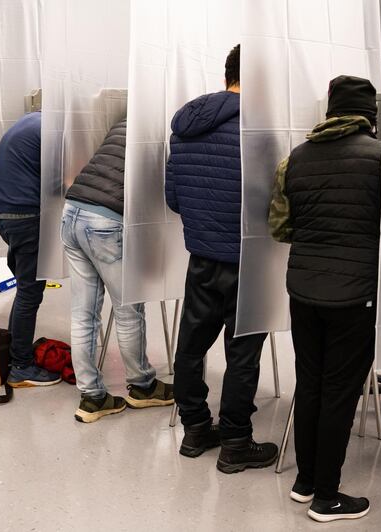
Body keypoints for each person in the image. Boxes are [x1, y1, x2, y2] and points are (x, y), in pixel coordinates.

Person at [269, 75, 381, 523]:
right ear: (369, 115)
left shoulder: (295, 158)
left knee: (311, 382)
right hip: (356, 294)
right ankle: (328, 498)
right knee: (340, 391)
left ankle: (305, 482)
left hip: (304, 290)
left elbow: (280, 227)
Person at [165, 44, 277, 473]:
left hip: (202, 257)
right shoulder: (259, 131)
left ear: (227, 73)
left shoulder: (186, 124)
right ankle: (235, 442)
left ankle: (195, 430)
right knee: (243, 354)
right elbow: (272, 206)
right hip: (245, 262)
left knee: (191, 347)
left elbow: (173, 199)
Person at [61, 119, 174, 423]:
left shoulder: (125, 121)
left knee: (83, 313)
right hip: (104, 221)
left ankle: (92, 398)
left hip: (72, 211)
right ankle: (143, 386)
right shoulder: (163, 130)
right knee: (128, 309)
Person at [0, 111, 61, 387]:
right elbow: (62, 181)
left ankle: (15, 354)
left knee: (24, 290)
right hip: (26, 218)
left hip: (5, 215)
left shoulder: (29, 122)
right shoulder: (51, 130)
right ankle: (21, 365)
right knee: (30, 294)